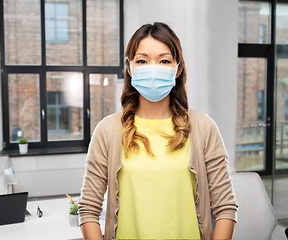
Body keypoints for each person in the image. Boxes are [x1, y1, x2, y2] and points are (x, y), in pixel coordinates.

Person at [78, 22, 238, 240]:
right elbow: (88, 209)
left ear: (178, 68)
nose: (153, 68)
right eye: (142, 61)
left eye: (164, 61)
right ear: (130, 68)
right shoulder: (107, 130)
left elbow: (225, 207)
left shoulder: (203, 127)